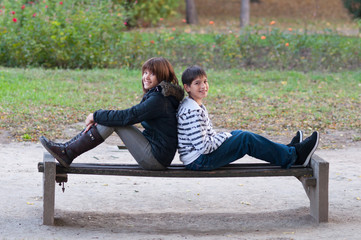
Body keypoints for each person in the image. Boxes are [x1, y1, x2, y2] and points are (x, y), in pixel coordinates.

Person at [40, 57, 184, 170]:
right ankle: (66, 149)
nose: (146, 77)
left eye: (152, 74)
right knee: (111, 120)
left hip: (155, 159)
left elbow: (129, 115)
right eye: (145, 72)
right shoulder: (160, 95)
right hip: (157, 152)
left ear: (162, 76)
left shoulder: (159, 100)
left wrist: (96, 115)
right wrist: (101, 117)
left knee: (115, 122)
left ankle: (67, 152)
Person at [177, 65, 319, 171]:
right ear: (187, 88)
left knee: (238, 134)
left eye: (205, 81)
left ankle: (287, 150)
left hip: (198, 157)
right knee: (245, 139)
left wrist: (226, 136)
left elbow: (207, 138)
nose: (203, 86)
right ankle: (293, 156)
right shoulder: (192, 111)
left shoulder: (195, 105)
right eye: (197, 83)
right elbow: (204, 147)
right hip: (198, 161)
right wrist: (225, 136)